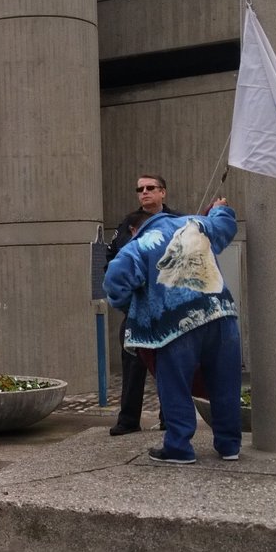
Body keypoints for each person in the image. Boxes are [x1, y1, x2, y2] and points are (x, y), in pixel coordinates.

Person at [103, 198, 242, 465]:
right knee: (225, 383)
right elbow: (225, 226)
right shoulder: (197, 223)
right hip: (221, 314)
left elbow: (114, 280)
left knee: (174, 382)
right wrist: (219, 209)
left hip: (175, 322)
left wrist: (131, 306)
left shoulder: (138, 245)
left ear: (134, 229)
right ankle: (229, 445)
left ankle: (178, 447)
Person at [105, 174, 180, 435]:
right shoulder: (129, 224)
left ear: (163, 193)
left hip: (169, 309)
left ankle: (170, 420)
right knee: (133, 365)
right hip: (137, 309)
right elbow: (112, 261)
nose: (144, 193)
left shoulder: (177, 222)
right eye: (140, 189)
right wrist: (126, 304)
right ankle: (128, 421)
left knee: (170, 366)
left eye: (150, 188)